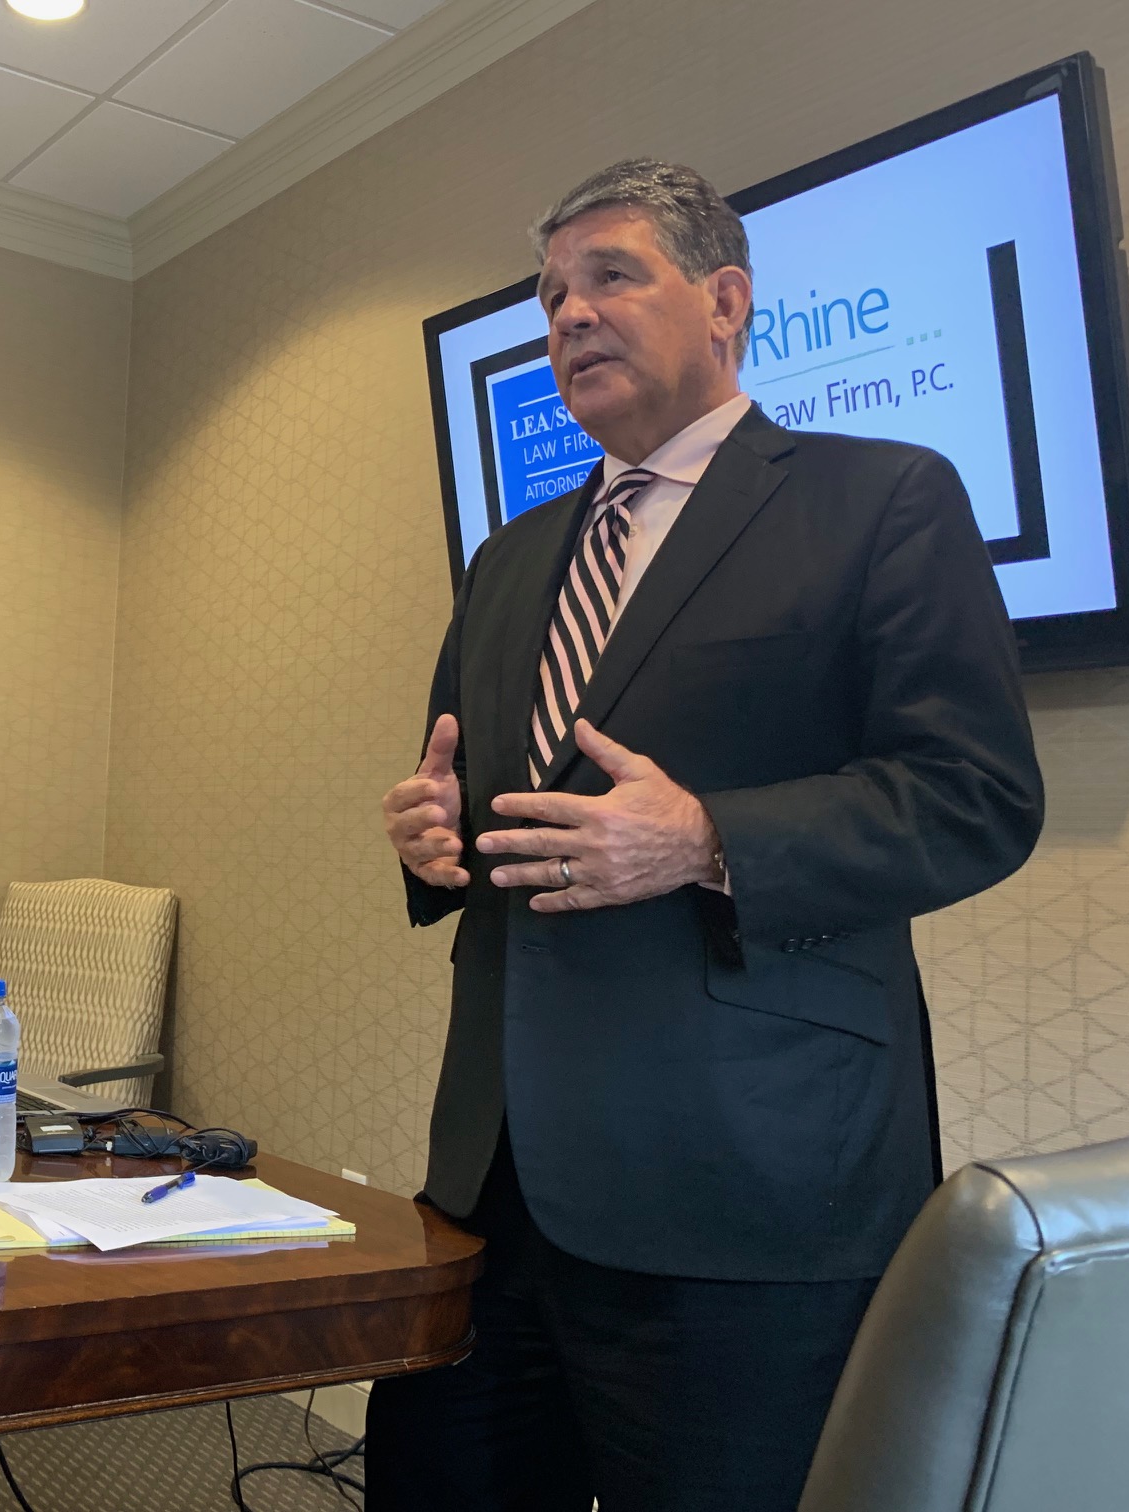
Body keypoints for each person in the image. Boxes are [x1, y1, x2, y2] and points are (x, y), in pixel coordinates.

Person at [372, 160, 1043, 1511]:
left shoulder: (884, 496)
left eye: (611, 277)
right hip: (492, 1183)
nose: (568, 315)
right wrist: (432, 839)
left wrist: (705, 838)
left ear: (727, 300)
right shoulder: (509, 558)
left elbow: (976, 795)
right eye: (552, 295)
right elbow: (480, 796)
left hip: (742, 1189)